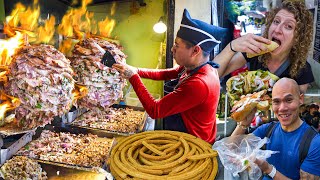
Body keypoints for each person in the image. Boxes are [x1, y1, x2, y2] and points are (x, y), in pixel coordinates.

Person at [113, 9, 225, 144]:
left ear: (195, 50)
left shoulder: (199, 83)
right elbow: (167, 73)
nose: (172, 49)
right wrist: (135, 70)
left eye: (177, 45)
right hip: (185, 136)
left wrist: (133, 77)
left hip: (194, 145)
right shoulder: (196, 67)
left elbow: (155, 110)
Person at [214, 0, 314, 94]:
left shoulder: (303, 69)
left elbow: (297, 107)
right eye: (276, 21)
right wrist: (232, 47)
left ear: (297, 38)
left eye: (289, 26)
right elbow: (214, 74)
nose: (277, 30)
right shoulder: (255, 51)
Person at [232, 78, 320, 179]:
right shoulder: (267, 129)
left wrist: (269, 170)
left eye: (289, 100)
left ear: (301, 99)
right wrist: (243, 124)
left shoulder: (314, 142)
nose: (282, 108)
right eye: (276, 102)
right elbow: (230, 149)